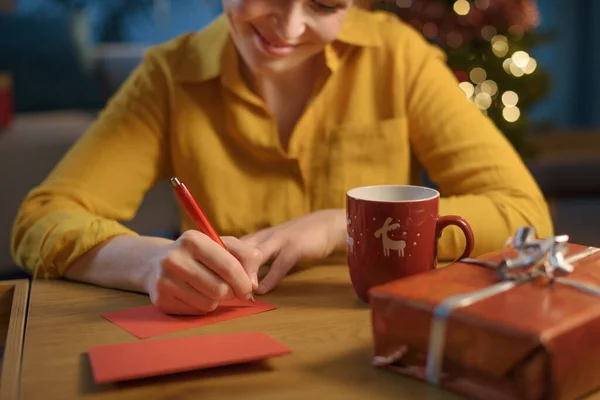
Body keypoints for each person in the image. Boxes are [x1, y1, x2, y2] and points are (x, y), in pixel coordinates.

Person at [10, 0, 553, 315]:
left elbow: (525, 213)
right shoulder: (169, 77)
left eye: (323, 5)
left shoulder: (399, 59)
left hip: (373, 343)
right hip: (225, 352)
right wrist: (147, 263)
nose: (288, 29)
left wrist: (340, 225)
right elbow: (42, 218)